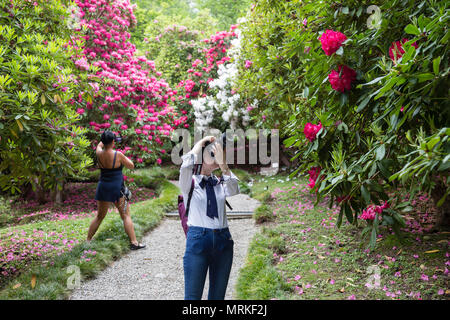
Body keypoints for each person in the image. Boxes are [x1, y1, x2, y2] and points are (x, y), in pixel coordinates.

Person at [179, 135, 240, 300]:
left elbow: (234, 190)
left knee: (217, 297)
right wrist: (199, 144)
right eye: (213, 153)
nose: (218, 156)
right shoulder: (189, 182)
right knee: (193, 298)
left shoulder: (221, 182)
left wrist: (224, 166)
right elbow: (185, 166)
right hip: (198, 240)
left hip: (223, 241)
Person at [87, 130, 145, 250]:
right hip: (117, 189)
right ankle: (134, 242)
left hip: (103, 187)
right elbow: (131, 165)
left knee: (99, 216)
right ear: (113, 141)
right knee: (125, 216)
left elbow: (99, 145)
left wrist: (103, 141)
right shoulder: (118, 154)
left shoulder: (98, 153)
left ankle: (87, 241)